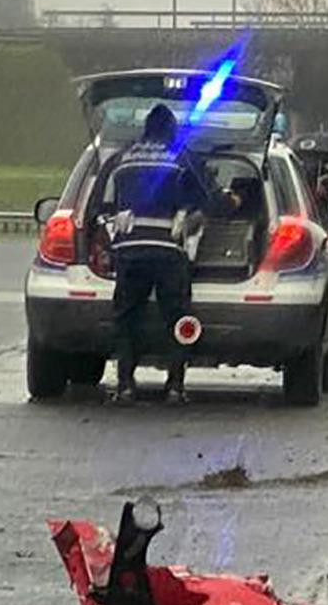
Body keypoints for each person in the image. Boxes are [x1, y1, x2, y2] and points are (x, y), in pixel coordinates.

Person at [96, 103, 236, 407]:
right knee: (177, 316)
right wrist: (228, 202)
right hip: (167, 249)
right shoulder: (180, 157)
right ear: (171, 129)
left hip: (129, 250)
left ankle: (125, 386)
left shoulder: (122, 158)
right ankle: (174, 386)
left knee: (126, 317)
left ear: (146, 128)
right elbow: (207, 198)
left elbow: (100, 205)